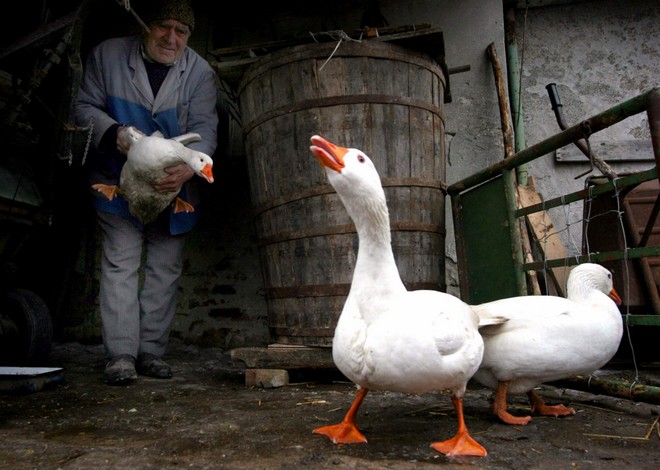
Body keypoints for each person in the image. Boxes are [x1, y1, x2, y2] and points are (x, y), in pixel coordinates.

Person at [75, 0, 219, 385]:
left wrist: (186, 171)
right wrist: (115, 132)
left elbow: (206, 128)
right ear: (145, 24)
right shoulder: (107, 55)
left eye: (181, 31)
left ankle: (151, 353)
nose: (171, 38)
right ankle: (121, 356)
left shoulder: (201, 73)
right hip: (118, 177)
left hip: (175, 185)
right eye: (163, 26)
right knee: (121, 262)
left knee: (164, 268)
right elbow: (83, 106)